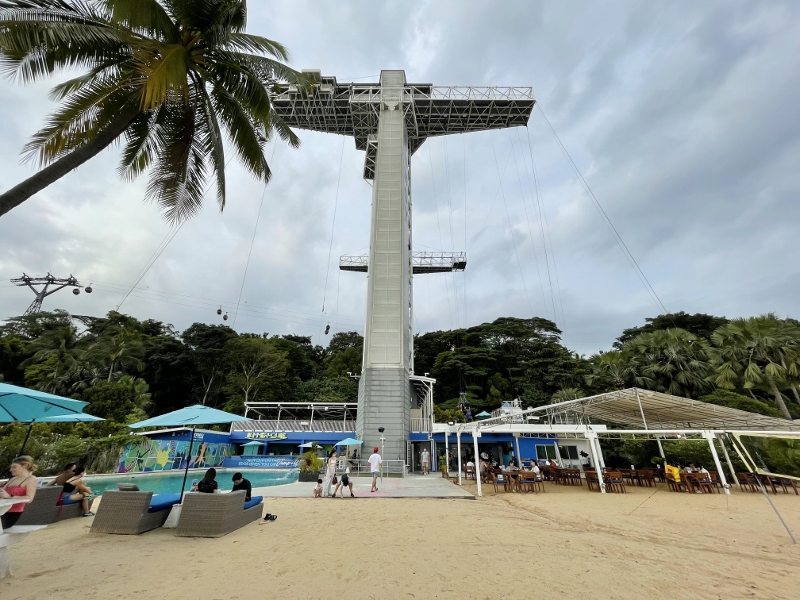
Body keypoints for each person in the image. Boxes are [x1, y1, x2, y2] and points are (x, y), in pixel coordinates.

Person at [0, 456, 38, 528]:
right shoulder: (13, 479)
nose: (11, 470)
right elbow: (2, 493)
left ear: (25, 465)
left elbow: (29, 499)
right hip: (2, 510)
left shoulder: (31, 479)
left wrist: (9, 496)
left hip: (12, 513)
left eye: (14, 467)